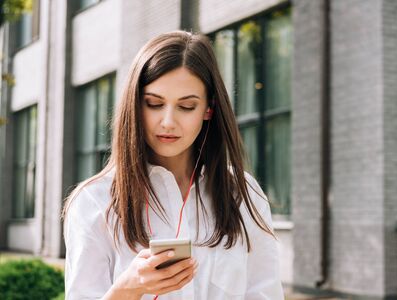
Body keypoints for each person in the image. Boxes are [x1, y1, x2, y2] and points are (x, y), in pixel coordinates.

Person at [63, 30, 284, 300]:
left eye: (187, 106)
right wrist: (129, 288)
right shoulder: (94, 201)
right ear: (135, 105)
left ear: (208, 110)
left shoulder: (243, 194)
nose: (168, 122)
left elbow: (265, 293)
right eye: (154, 104)